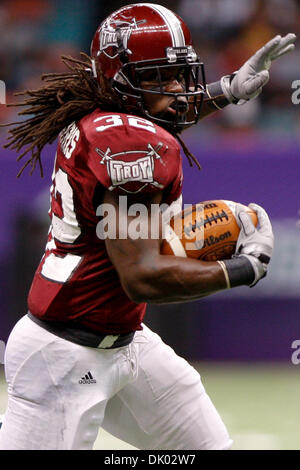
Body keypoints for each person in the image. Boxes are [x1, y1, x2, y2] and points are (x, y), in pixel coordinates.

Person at [0, 3, 295, 450]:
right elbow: (143, 277)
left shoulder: (105, 115)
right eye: (160, 77)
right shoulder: (130, 147)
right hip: (64, 355)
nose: (178, 88)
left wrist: (228, 89)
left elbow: (157, 109)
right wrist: (245, 268)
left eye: (180, 74)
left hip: (125, 340)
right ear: (120, 81)